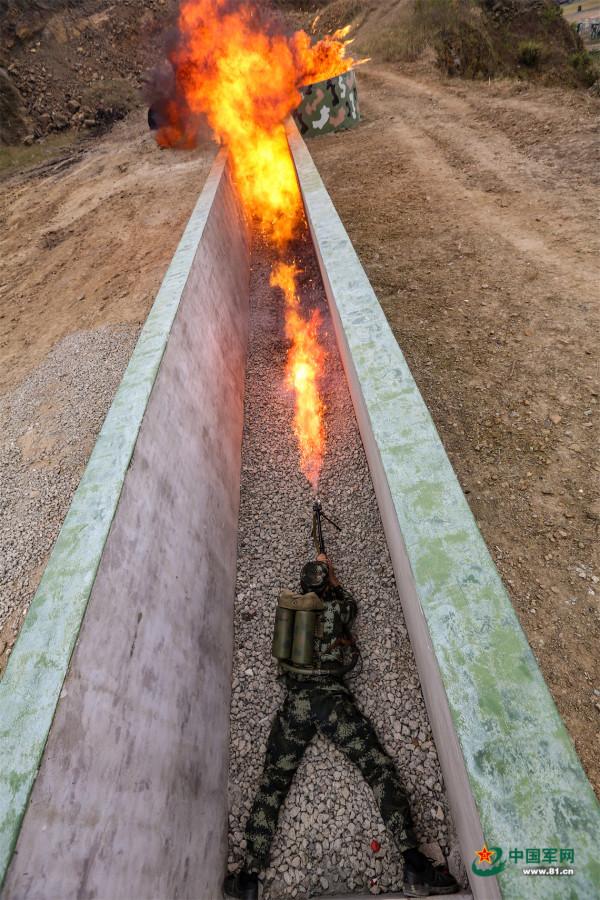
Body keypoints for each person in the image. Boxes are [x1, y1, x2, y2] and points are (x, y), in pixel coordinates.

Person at [224, 555, 459, 899]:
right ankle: (414, 864)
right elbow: (351, 606)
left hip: (296, 703)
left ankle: (247, 879)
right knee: (377, 768)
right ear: (325, 583)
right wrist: (333, 580)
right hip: (333, 702)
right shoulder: (337, 609)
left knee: (274, 783)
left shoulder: (292, 618)